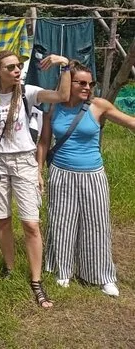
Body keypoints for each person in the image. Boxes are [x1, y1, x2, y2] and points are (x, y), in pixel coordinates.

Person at [37, 61, 135, 297]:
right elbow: (44, 142)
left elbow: (131, 122)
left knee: (96, 223)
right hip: (61, 173)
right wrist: (38, 171)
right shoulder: (54, 108)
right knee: (61, 222)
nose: (87, 87)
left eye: (90, 83)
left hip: (93, 174)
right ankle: (63, 270)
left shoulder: (98, 106)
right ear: (67, 83)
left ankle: (102, 275)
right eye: (81, 82)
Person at [0, 50, 70, 309]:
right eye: (10, 67)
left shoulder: (27, 92)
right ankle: (9, 268)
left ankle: (36, 280)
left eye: (18, 66)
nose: (17, 70)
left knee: (31, 224)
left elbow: (62, 96)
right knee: (2, 220)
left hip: (24, 161)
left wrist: (64, 66)